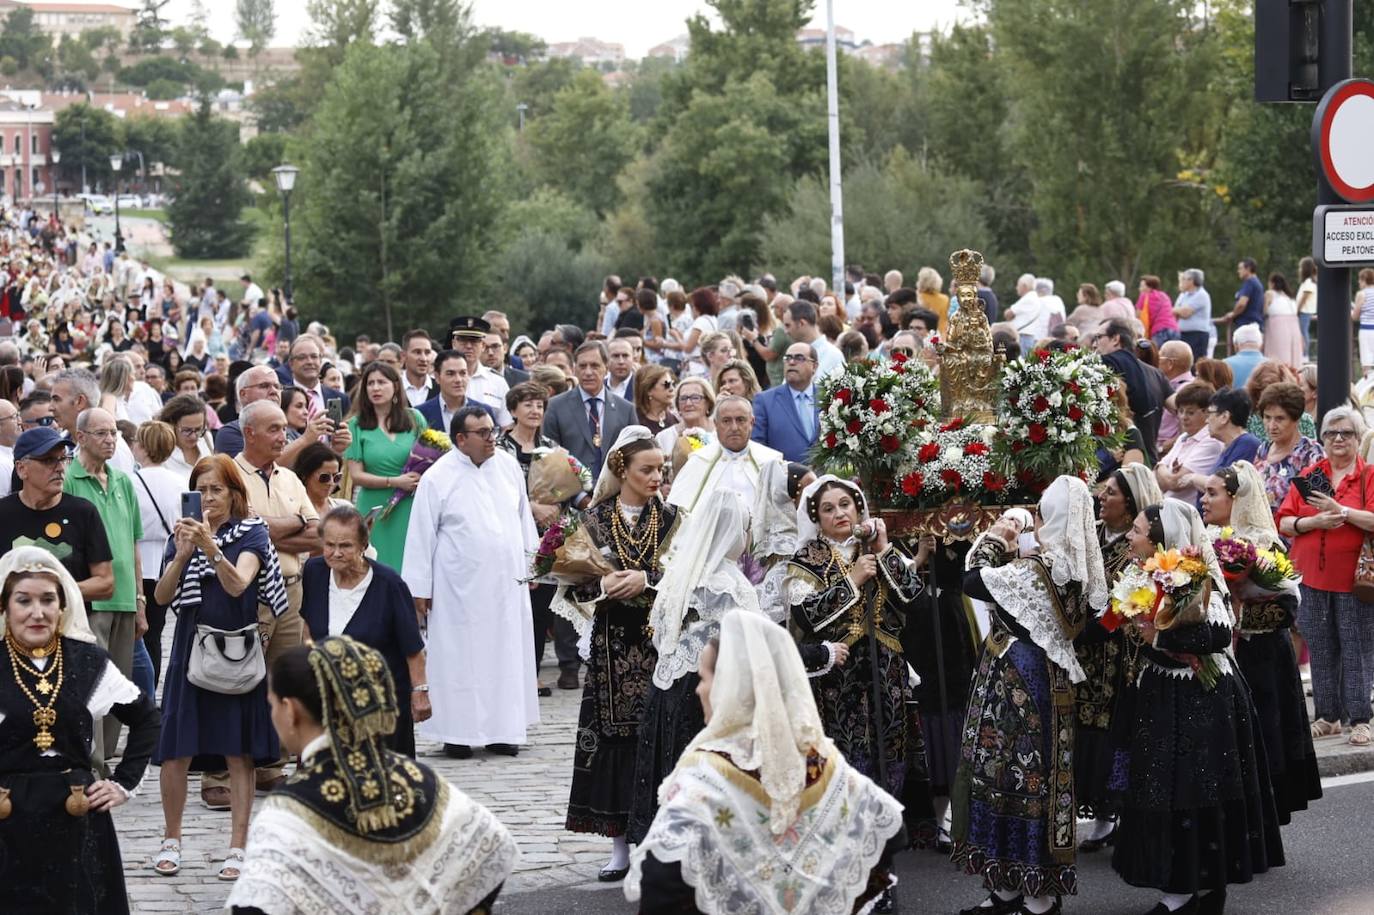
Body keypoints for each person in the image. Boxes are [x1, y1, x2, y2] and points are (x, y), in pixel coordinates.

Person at [625, 610, 905, 915]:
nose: (698, 689)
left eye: (705, 678)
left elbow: (661, 877)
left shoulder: (704, 773)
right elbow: (888, 827)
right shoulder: (817, 758)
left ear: (732, 686)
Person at [227, 639, 517, 915]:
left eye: (273, 704)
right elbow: (492, 846)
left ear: (290, 711)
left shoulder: (289, 807)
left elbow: (256, 903)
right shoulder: (418, 778)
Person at [1111, 500, 1284, 915]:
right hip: (1160, 693)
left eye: (1136, 530)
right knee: (1164, 792)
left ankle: (1198, 888)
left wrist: (1157, 637)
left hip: (1202, 700)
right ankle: (1184, 887)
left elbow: (1217, 635)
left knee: (1195, 793)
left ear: (1158, 538)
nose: (1130, 537)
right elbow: (1114, 620)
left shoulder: (1196, 575)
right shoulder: (1138, 575)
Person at [953, 477, 1106, 915]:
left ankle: (1038, 897)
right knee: (1008, 779)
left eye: (1039, 511)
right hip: (1036, 680)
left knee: (1024, 782)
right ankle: (1007, 887)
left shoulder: (1041, 570)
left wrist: (998, 536)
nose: (1034, 520)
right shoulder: (1073, 568)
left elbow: (973, 580)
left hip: (1022, 685)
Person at [152, 454, 289, 881]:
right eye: (202, 490)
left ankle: (238, 846)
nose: (209, 498)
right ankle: (171, 839)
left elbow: (238, 584)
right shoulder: (184, 534)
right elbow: (161, 597)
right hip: (190, 649)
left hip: (235, 650)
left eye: (217, 489)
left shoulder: (252, 534)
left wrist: (212, 549)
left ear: (234, 492)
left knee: (237, 750)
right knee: (176, 750)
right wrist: (183, 553)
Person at [0, 547, 160, 913]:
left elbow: (147, 719)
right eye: (23, 601)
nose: (37, 612)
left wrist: (122, 782)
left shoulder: (87, 661)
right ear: (5, 607)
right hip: (8, 820)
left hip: (76, 816)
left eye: (48, 600)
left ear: (63, 606)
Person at [557, 428, 681, 879]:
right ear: (621, 469)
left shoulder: (672, 519)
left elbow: (686, 572)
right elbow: (570, 584)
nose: (655, 477)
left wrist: (648, 580)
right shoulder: (593, 520)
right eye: (646, 470)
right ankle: (619, 847)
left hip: (659, 643)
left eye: (661, 470)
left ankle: (656, 839)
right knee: (615, 740)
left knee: (659, 737)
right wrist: (603, 584)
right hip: (611, 645)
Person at [403, 406, 539, 758]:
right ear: (460, 439)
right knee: (458, 657)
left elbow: (524, 520)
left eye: (492, 430)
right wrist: (420, 588)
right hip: (457, 589)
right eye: (482, 432)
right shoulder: (438, 476)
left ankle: (503, 730)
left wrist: (534, 564)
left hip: (507, 585)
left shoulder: (508, 468)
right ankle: (457, 733)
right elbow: (420, 534)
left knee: (505, 654)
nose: (491, 437)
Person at [1201, 462, 1321, 823]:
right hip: (1226, 656)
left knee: (1263, 736)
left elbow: (1285, 610)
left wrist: (1236, 611)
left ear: (1236, 499)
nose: (1204, 500)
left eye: (1213, 493)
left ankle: (1261, 817)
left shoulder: (1264, 545)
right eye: (1204, 492)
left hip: (1262, 658)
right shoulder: (1206, 538)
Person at [1074, 464, 1163, 853]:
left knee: (1113, 732)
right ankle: (1097, 811)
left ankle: (1110, 815)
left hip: (1117, 653)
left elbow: (1123, 606)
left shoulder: (1136, 548)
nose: (1101, 498)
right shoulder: (1090, 533)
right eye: (1102, 491)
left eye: (1110, 492)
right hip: (1083, 653)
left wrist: (1088, 629)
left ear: (1129, 503)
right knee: (1083, 729)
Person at [1276, 407, 1374, 747]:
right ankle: (1328, 716)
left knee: (1356, 647)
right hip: (1311, 577)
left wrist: (1342, 512)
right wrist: (1312, 523)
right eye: (1331, 433)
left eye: (1346, 433)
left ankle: (1361, 719)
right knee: (1320, 646)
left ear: (1359, 438)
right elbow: (1285, 521)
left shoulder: (1367, 476)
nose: (1338, 439)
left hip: (1353, 580)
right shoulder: (1312, 474)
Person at [300, 506, 429, 756]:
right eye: (329, 545)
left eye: (346, 546)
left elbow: (413, 649)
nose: (336, 553)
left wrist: (420, 692)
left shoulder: (389, 585)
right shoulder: (315, 573)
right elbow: (309, 630)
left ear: (363, 544)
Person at [62, 407, 144, 761]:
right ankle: (90, 762)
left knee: (118, 683)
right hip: (91, 596)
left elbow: (133, 543)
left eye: (114, 433)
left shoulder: (124, 481)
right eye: (101, 433)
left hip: (124, 596)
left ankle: (107, 758)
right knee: (90, 682)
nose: (111, 439)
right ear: (80, 437)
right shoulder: (68, 479)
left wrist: (140, 600)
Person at [496, 381, 567, 693]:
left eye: (539, 405)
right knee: (510, 605)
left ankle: (532, 672)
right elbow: (495, 491)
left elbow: (565, 488)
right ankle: (507, 671)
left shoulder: (551, 448)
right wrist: (532, 506)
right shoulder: (499, 447)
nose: (535, 410)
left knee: (539, 609)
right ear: (513, 410)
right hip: (509, 535)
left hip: (545, 539)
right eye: (527, 404)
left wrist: (560, 502)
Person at [343, 361, 426, 572]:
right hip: (374, 508)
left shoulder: (414, 419)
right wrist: (394, 481)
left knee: (408, 567)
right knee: (374, 567)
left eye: (382, 382)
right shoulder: (355, 425)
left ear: (396, 386)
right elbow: (357, 475)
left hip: (409, 506)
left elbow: (431, 460)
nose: (375, 388)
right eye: (370, 383)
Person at [131, 421, 184, 686]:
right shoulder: (179, 481)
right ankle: (152, 688)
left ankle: (144, 691)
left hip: (138, 563)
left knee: (140, 634)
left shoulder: (131, 481)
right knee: (156, 630)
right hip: (168, 562)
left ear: (142, 446)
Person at [542, 341, 638, 487]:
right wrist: (578, 498)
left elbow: (634, 458)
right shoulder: (555, 407)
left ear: (606, 369)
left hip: (616, 497)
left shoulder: (626, 409)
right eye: (582, 366)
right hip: (571, 499)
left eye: (594, 366)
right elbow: (550, 459)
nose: (588, 372)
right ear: (574, 369)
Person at [668, 395, 782, 513]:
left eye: (740, 420)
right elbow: (681, 514)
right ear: (716, 424)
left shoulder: (770, 461)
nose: (734, 427)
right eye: (726, 421)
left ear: (751, 422)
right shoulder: (698, 462)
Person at [752, 460, 816, 622]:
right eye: (810, 491)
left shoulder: (804, 536)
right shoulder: (784, 547)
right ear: (787, 499)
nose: (817, 498)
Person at [1255, 382, 1323, 510]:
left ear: (1296, 419)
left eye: (1280, 419)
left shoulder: (1311, 452)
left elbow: (1320, 505)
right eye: (1267, 417)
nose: (1271, 426)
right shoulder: (1263, 449)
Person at [750, 341, 820, 463]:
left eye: (799, 358)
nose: (791, 362)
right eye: (787, 358)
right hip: (784, 478)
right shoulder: (765, 401)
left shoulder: (830, 398)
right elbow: (757, 446)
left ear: (814, 366)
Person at [1155, 381, 1221, 503]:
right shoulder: (1183, 437)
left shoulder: (1211, 441)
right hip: (1167, 504)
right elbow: (1157, 471)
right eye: (1180, 411)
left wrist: (1164, 471)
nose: (1183, 417)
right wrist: (1165, 471)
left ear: (1207, 412)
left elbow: (1175, 483)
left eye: (1190, 412)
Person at [417, 349, 497, 432]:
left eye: (463, 373)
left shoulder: (485, 411)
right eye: (450, 374)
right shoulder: (421, 414)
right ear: (437, 377)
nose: (458, 379)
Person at [654, 376, 715, 459]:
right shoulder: (664, 437)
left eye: (695, 398)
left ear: (708, 402)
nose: (688, 403)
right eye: (683, 398)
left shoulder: (719, 433)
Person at [160, 393, 212, 477]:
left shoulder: (206, 439)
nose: (193, 436)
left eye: (198, 429)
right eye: (187, 430)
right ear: (171, 425)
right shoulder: (161, 452)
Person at [1263, 273, 1303, 369]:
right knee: (1293, 355)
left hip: (1277, 325)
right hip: (1294, 326)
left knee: (1278, 354)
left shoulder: (1269, 294)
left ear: (1272, 283)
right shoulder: (1289, 297)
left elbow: (1264, 311)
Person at [1175, 269, 1213, 360]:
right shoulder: (1183, 295)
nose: (1182, 281)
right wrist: (1178, 311)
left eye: (1184, 279)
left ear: (1191, 280)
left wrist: (1178, 311)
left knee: (1196, 363)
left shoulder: (1201, 295)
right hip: (1184, 334)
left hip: (1197, 335)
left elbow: (1185, 313)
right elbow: (1174, 310)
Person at [632, 363, 678, 437]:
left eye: (673, 384)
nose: (671, 389)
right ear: (648, 390)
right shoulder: (634, 419)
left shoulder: (675, 418)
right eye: (666, 384)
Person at [399, 329, 437, 406]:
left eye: (427, 352)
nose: (424, 359)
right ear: (403, 356)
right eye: (417, 352)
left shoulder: (441, 389)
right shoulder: (394, 388)